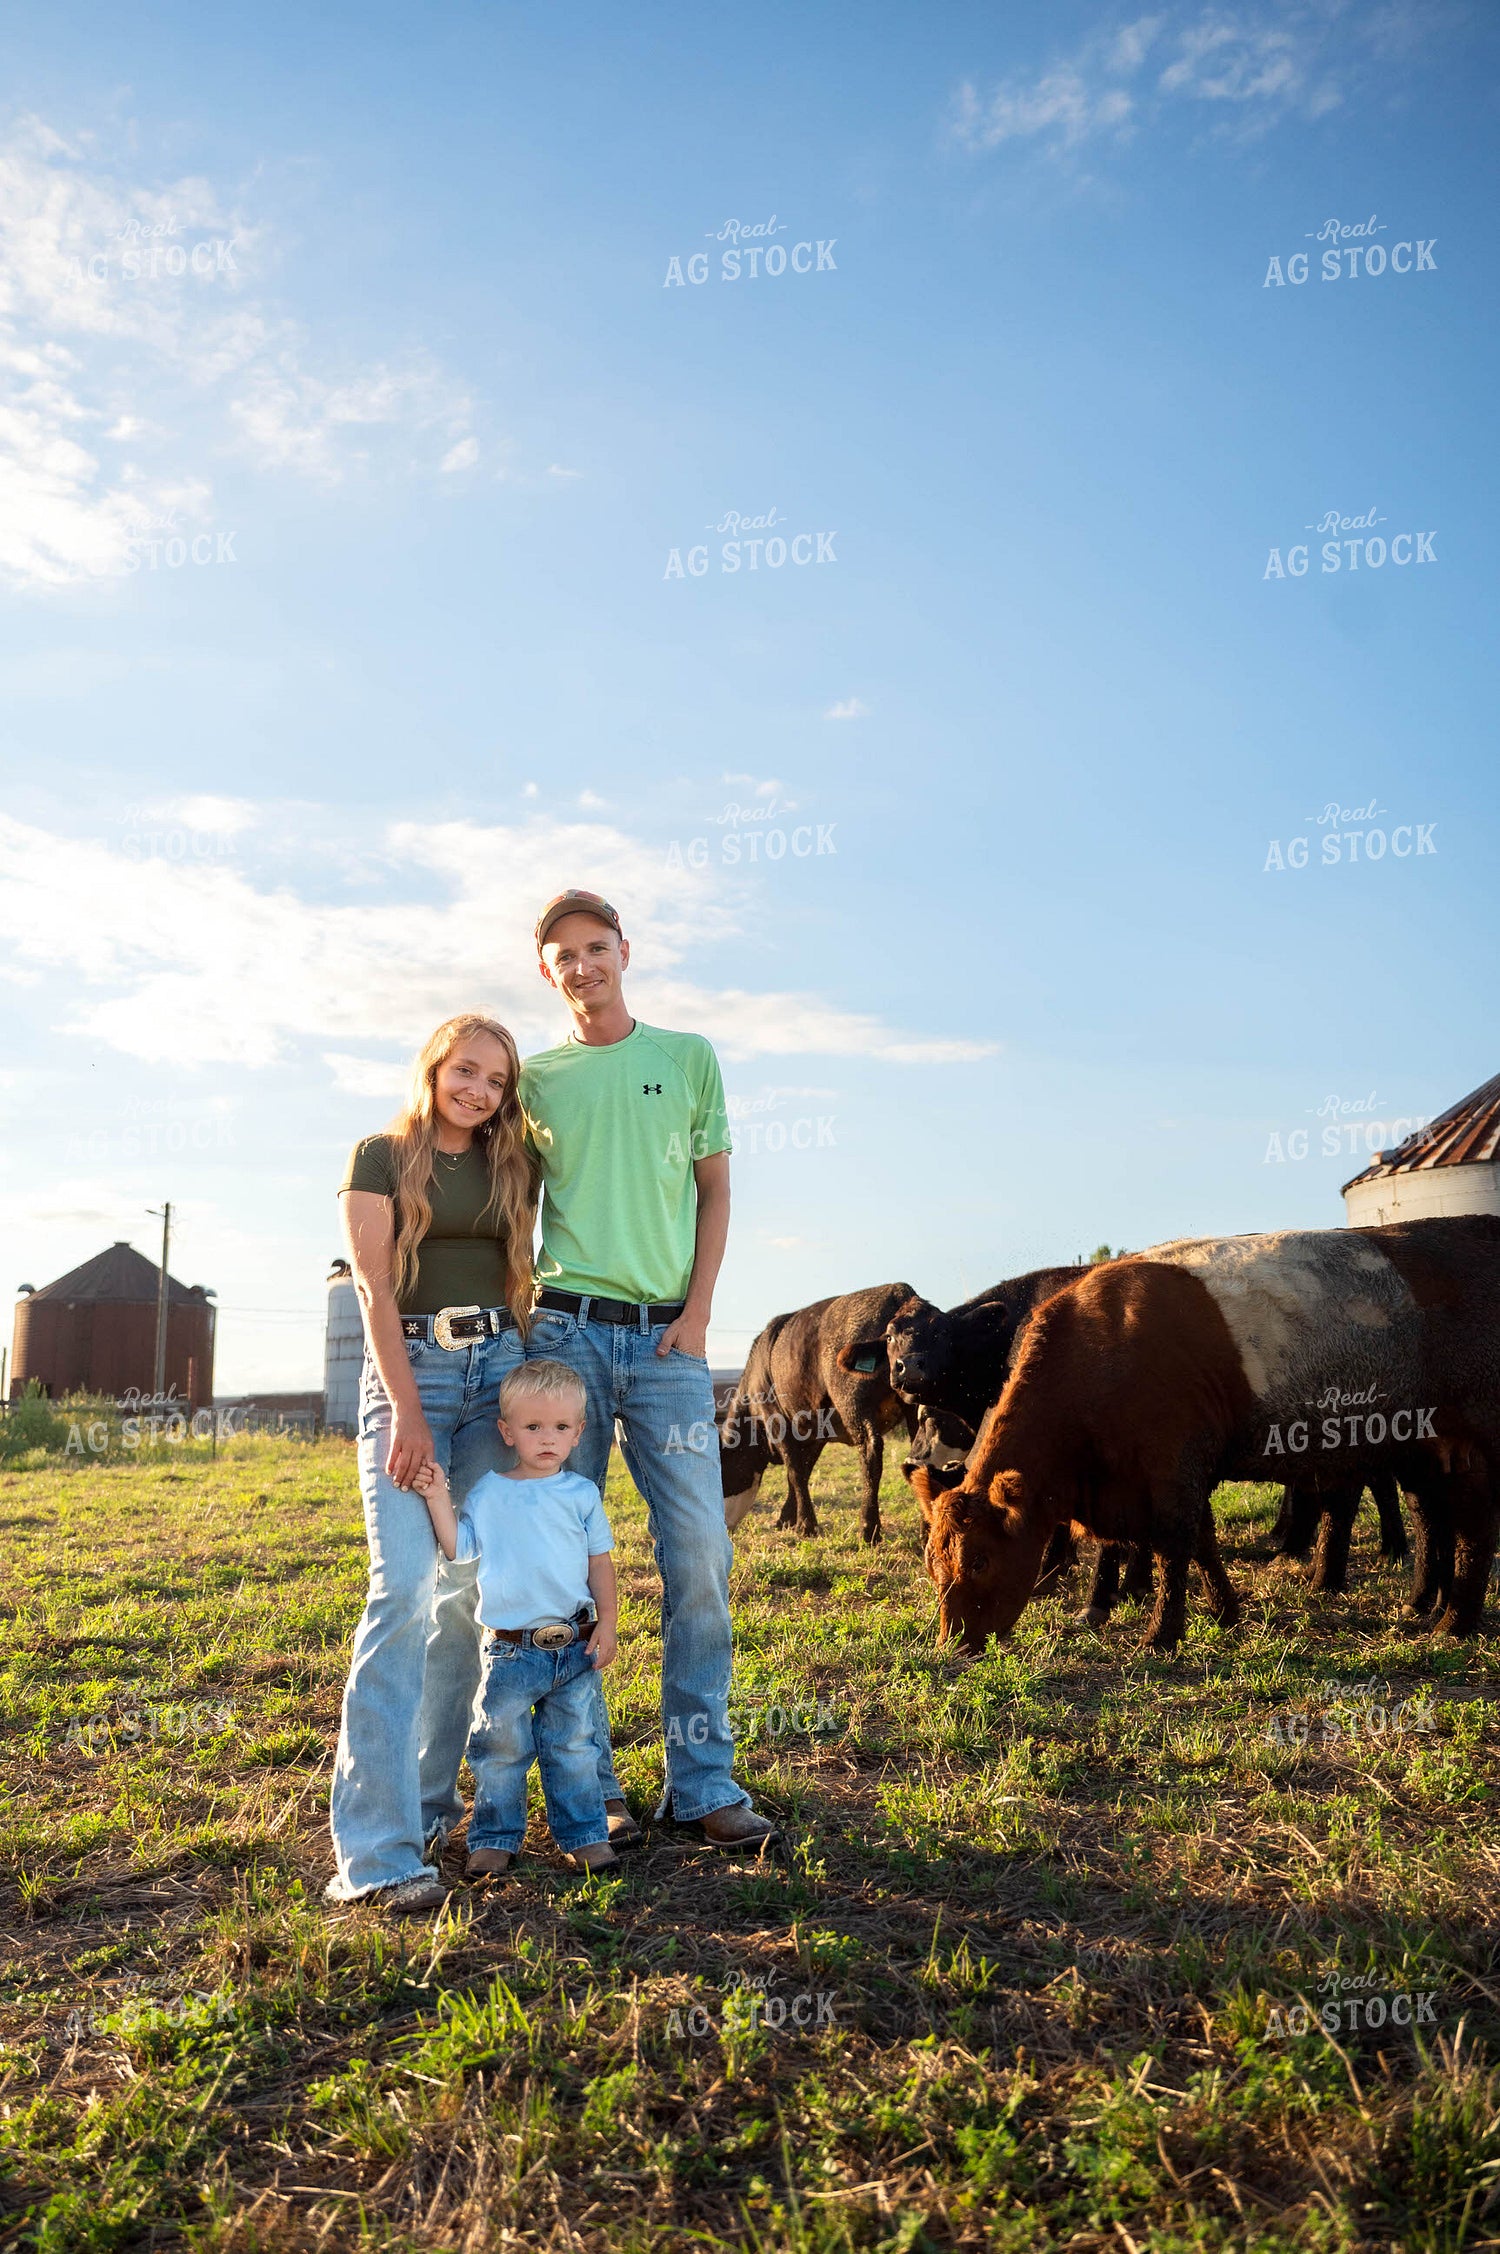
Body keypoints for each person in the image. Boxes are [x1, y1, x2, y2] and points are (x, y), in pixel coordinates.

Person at [517, 888, 778, 1852]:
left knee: (700, 1555)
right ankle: (592, 1791)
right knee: (562, 1565)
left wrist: (701, 1309)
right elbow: (511, 1206)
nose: (583, 966)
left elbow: (714, 1192)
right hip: (566, 1340)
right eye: (564, 956)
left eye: (596, 948)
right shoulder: (534, 1080)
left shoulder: (686, 1056)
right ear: (546, 973)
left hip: (669, 1344)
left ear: (625, 951)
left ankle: (703, 1783)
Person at [327, 1012, 536, 1913]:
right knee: (404, 1588)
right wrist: (408, 1412)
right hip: (410, 1377)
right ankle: (372, 1856)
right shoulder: (381, 1155)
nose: (479, 1092)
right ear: (435, 1068)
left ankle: (423, 1809)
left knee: (464, 1597)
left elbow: (524, 1275)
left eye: (496, 1081)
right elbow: (374, 1288)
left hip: (496, 1379)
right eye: (467, 1072)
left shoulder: (511, 1162)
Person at [414, 1359, 619, 1876]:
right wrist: (440, 1497)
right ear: (507, 1432)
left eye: (560, 1428)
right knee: (500, 1749)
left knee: (574, 1745)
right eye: (532, 1427)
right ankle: (496, 1837)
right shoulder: (488, 1492)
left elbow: (600, 1565)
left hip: (573, 1642)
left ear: (579, 1433)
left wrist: (609, 1624)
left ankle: (585, 1835)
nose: (546, 1438)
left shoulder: (581, 1495)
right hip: (508, 1649)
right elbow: (460, 1551)